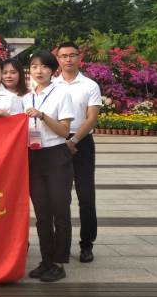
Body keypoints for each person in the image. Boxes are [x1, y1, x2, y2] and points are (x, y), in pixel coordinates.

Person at [21, 50, 75, 283]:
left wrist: (42, 116)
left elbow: (64, 131)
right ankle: (46, 260)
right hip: (33, 156)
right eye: (34, 67)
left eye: (44, 67)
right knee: (42, 213)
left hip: (56, 155)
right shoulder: (25, 98)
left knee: (59, 210)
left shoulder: (62, 94)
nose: (39, 71)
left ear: (54, 71)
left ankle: (59, 261)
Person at [53, 41, 102, 263]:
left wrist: (73, 139)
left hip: (82, 142)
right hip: (56, 142)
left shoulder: (90, 85)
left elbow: (91, 118)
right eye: (64, 56)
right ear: (58, 59)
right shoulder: (51, 84)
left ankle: (86, 244)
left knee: (86, 196)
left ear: (79, 57)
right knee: (59, 198)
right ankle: (60, 243)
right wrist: (64, 139)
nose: (68, 60)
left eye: (72, 55)